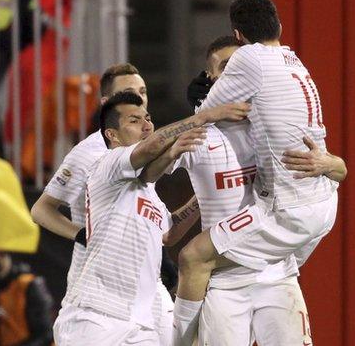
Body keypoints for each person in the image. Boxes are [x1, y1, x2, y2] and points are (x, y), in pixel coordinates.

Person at [172, 0, 343, 345]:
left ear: (239, 35)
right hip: (319, 207)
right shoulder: (293, 61)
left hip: (284, 215)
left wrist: (201, 106)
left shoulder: (250, 59)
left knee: (192, 256)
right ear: (278, 27)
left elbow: (208, 108)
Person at [54, 91, 248, 345]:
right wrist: (207, 116)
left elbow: (168, 234)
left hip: (139, 321)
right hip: (95, 316)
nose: (146, 125)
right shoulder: (107, 164)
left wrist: (204, 196)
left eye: (148, 118)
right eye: (134, 121)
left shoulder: (148, 192)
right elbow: (153, 145)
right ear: (111, 135)